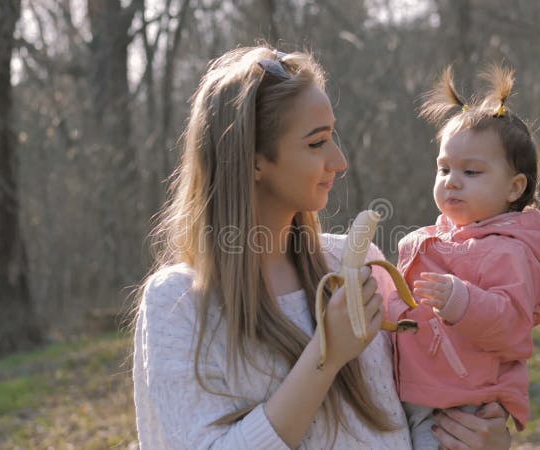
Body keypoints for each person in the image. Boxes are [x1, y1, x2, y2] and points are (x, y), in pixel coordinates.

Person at [132, 45, 512, 449]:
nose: (340, 160)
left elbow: (417, 414)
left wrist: (476, 438)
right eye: (317, 143)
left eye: (333, 137)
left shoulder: (363, 262)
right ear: (254, 159)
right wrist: (326, 356)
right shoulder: (179, 303)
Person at [388, 65, 540, 449]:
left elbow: (513, 325)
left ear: (514, 188)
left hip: (463, 402)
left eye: (472, 171)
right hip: (418, 388)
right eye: (443, 169)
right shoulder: (426, 241)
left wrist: (461, 300)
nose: (452, 181)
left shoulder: (509, 251)